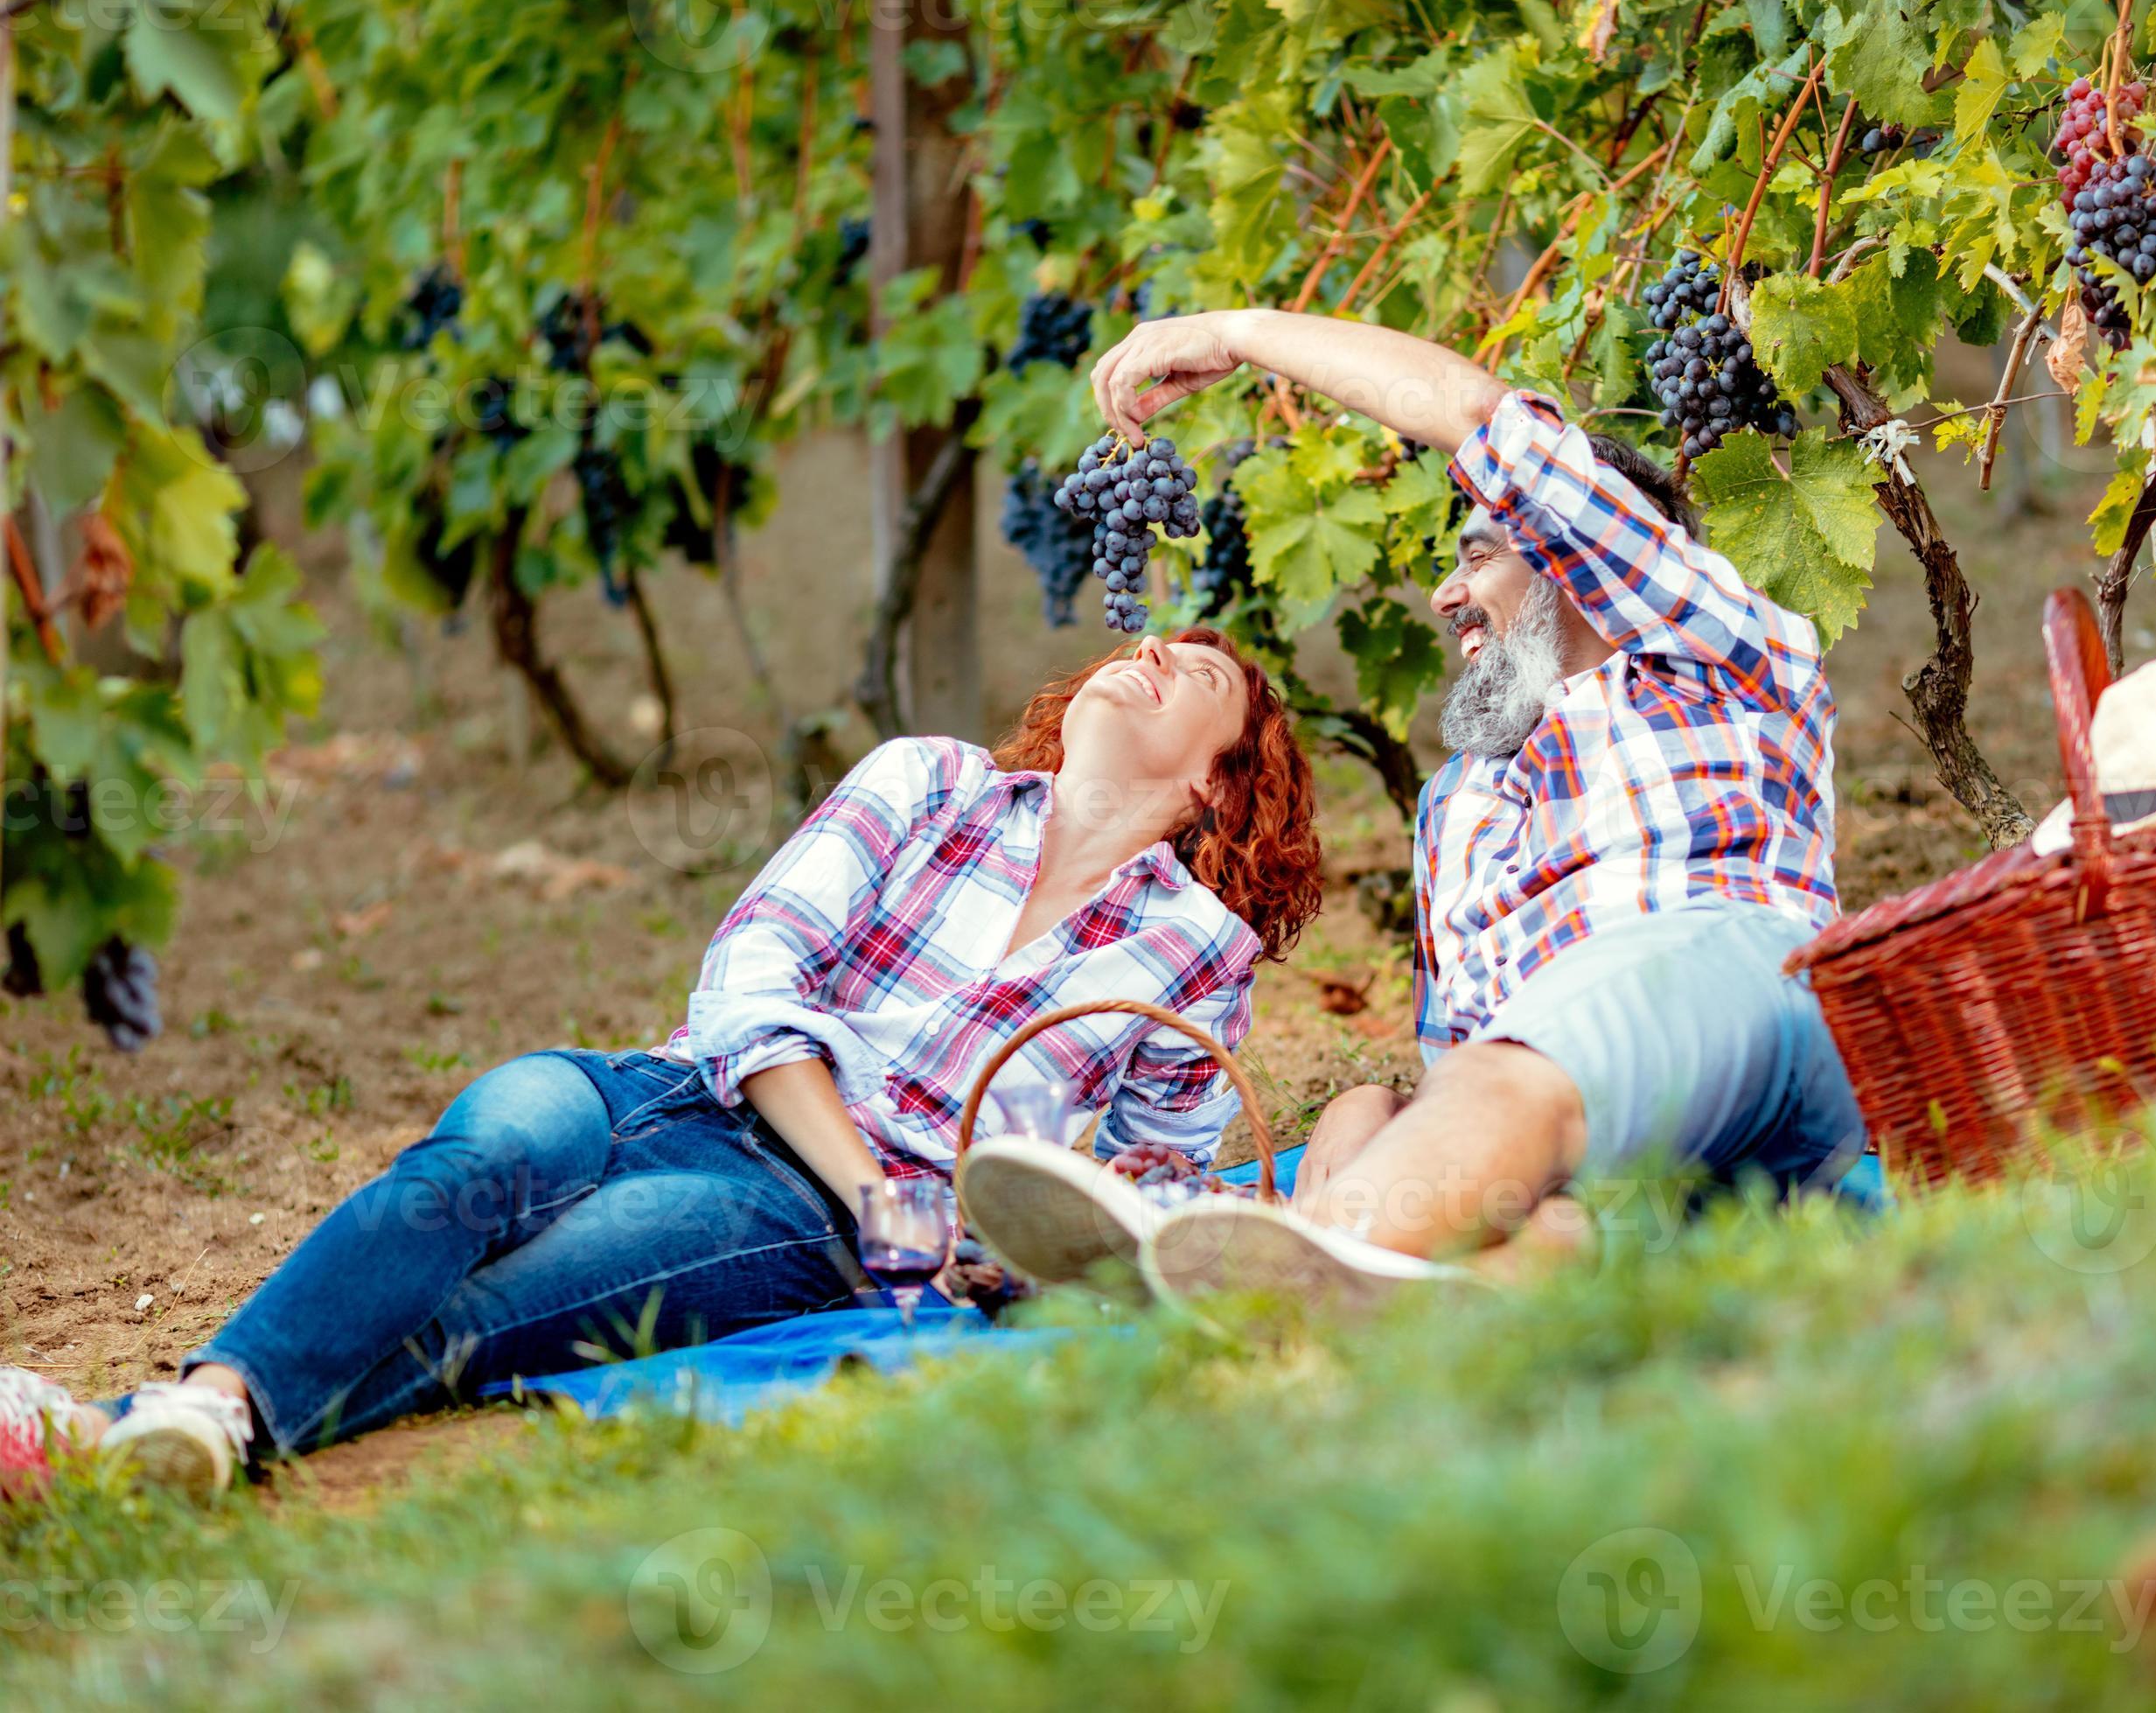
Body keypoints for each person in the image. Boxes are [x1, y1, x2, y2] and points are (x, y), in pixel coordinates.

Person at [0, 628, 1322, 1495]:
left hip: (783, 1215)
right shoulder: (926, 782)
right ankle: (189, 1417)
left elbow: (1143, 1206)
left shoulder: (1191, 951)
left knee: (506, 1305)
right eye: (1143, 643)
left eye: (1193, 675)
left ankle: (163, 1424)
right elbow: (751, 974)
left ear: (1216, 782)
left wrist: (1003, 1248)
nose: (1149, 655)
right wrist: (879, 1187)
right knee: (485, 1154)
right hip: (675, 1088)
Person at [1002, 308, 1866, 1309]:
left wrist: (1233, 334)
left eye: (1479, 554)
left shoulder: (1715, 657)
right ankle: (1386, 1306)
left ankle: (1251, 1289)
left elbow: (1481, 420)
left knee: (1505, 1078)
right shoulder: (1459, 802)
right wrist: (1378, 1125)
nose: (1446, 595)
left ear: (1584, 556)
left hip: (1748, 999)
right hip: (1603, 1135)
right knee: (1378, 1115)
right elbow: (1461, 1062)